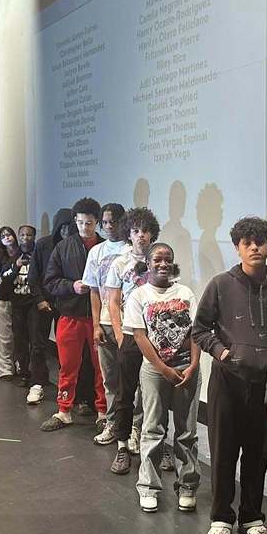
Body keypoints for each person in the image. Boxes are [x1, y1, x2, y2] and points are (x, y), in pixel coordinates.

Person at [192, 216, 267, 534]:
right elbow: (199, 329)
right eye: (248, 242)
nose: (255, 247)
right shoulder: (220, 284)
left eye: (260, 241)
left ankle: (252, 517)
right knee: (224, 452)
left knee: (258, 454)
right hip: (227, 383)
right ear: (238, 248)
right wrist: (222, 352)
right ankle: (221, 518)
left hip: (265, 385)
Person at [125, 242, 200, 513]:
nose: (163, 264)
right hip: (154, 370)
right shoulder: (139, 295)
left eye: (168, 259)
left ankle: (188, 485)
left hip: (186, 369)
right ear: (148, 262)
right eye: (158, 259)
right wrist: (162, 368)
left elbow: (195, 332)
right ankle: (148, 486)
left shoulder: (186, 293)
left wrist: (192, 365)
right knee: (153, 428)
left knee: (187, 431)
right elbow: (139, 336)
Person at [40, 197, 107, 432]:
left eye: (89, 223)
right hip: (70, 315)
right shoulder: (63, 247)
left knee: (102, 367)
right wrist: (72, 286)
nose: (84, 228)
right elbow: (49, 281)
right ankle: (64, 410)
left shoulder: (106, 249)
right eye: (80, 223)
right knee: (67, 365)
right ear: (74, 222)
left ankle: (103, 412)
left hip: (100, 318)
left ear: (96, 222)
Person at [100, 207, 158, 474]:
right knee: (125, 393)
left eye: (145, 231)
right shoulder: (119, 263)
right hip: (130, 337)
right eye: (136, 231)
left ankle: (156, 445)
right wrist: (121, 335)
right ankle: (122, 446)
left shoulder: (161, 259)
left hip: (156, 338)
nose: (141, 236)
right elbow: (112, 301)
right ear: (129, 233)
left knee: (156, 394)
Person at [84, 203, 128, 442]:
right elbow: (93, 290)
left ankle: (133, 428)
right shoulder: (96, 252)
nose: (110, 226)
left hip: (130, 324)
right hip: (105, 323)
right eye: (106, 222)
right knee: (109, 378)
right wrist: (96, 326)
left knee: (133, 381)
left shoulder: (133, 249)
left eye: (115, 221)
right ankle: (112, 424)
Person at [26, 208, 73, 405]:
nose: (65, 231)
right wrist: (39, 300)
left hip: (67, 303)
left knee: (68, 347)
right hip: (43, 301)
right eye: (62, 227)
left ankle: (69, 388)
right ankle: (38, 382)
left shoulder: (75, 246)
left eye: (69, 227)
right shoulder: (44, 244)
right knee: (38, 344)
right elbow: (33, 275)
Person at [0, 225, 40, 388]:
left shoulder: (39, 254)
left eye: (29, 235)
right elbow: (4, 277)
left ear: (34, 237)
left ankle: (38, 374)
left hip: (34, 304)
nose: (25, 238)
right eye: (22, 234)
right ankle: (24, 372)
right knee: (20, 339)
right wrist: (15, 266)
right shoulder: (12, 255)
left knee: (36, 340)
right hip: (17, 304)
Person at [0, 226, 20, 382]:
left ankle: (19, 363)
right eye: (3, 236)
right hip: (3, 299)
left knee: (19, 334)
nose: (7, 237)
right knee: (4, 335)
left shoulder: (22, 254)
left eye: (9, 234)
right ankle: (5, 367)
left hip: (20, 299)